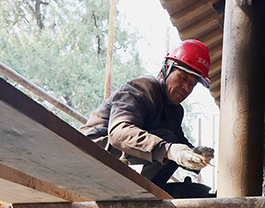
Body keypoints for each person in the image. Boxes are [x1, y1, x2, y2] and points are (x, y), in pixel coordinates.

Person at [79, 39, 213, 198]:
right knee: (166, 146)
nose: (187, 88)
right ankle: (136, 194)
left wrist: (195, 155)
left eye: (193, 84)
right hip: (92, 146)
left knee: (170, 145)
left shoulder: (175, 111)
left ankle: (146, 196)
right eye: (183, 78)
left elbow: (178, 143)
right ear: (166, 69)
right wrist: (169, 150)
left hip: (121, 154)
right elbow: (119, 133)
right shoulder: (142, 88)